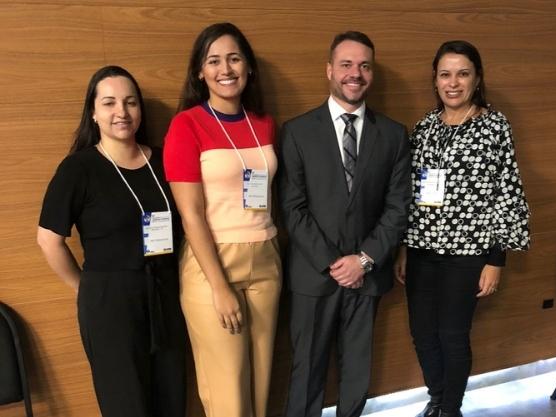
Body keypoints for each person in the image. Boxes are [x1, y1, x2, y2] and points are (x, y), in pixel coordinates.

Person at [37, 65, 187, 417]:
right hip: (109, 304)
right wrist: (85, 288)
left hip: (166, 295)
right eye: (109, 103)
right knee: (127, 405)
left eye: (130, 102)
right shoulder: (79, 168)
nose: (122, 112)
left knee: (173, 400)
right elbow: (48, 240)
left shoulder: (163, 160)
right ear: (93, 112)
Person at [278, 31, 411, 417]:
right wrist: (335, 264)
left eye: (365, 66)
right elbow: (293, 207)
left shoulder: (393, 134)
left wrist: (364, 260)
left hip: (367, 276)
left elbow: (397, 207)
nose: (356, 73)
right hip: (314, 277)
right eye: (347, 64)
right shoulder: (298, 131)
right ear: (329, 70)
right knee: (306, 375)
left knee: (356, 375)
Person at [395, 40, 531, 417]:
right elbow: (412, 192)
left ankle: (450, 410)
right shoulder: (424, 127)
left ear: (477, 78)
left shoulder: (494, 125)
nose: (453, 82)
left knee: (452, 337)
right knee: (422, 335)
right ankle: (437, 398)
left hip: (469, 254)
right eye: (445, 74)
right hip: (422, 251)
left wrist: (496, 258)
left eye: (462, 73)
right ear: (435, 80)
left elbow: (508, 191)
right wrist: (405, 248)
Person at [163, 22, 281, 417]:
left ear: (248, 67)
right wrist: (218, 285)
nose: (225, 69)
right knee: (228, 391)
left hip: (266, 256)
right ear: (200, 71)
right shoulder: (186, 124)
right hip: (213, 261)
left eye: (233, 58)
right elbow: (190, 214)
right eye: (213, 61)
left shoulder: (262, 122)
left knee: (260, 384)